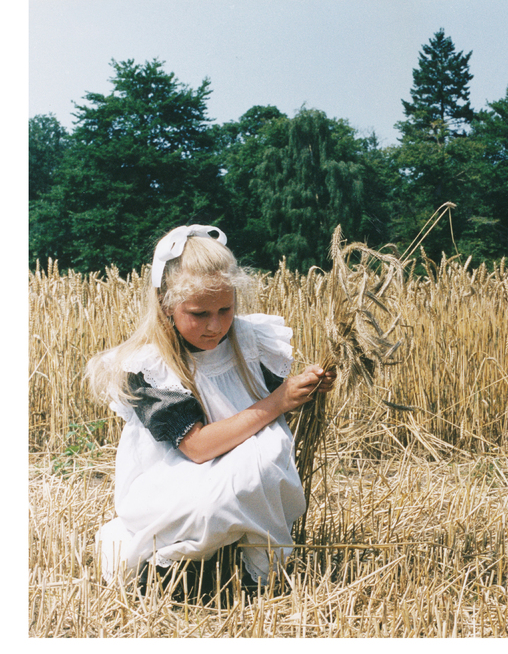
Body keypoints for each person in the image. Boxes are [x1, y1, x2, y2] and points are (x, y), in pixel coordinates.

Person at [88, 225, 333, 593]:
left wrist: (304, 390)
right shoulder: (152, 366)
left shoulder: (251, 342)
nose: (215, 326)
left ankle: (245, 571)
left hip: (242, 468)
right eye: (199, 313)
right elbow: (198, 448)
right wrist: (279, 400)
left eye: (225, 309)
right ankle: (177, 576)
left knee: (262, 460)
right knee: (218, 497)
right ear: (166, 305)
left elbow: (278, 413)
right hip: (174, 477)